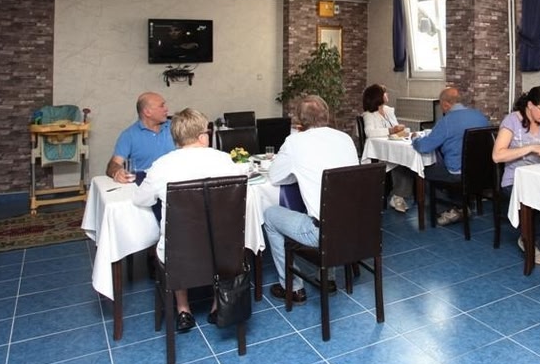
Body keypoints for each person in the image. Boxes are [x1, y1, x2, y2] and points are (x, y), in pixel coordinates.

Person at [132, 108, 239, 332]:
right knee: (214, 237)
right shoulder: (224, 160)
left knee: (178, 239)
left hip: (180, 253)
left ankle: (183, 309)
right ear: (202, 136)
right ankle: (217, 304)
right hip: (221, 249)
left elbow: (142, 199)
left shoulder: (162, 165)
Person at [263, 95, 359, 303]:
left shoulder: (295, 142)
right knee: (332, 206)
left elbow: (275, 176)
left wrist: (296, 171)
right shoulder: (345, 139)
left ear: (300, 120)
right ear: (326, 115)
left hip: (321, 233)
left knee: (270, 215)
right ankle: (328, 278)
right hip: (355, 227)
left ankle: (292, 287)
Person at [492, 85, 540, 265]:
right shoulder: (512, 121)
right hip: (516, 180)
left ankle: (539, 242)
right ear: (530, 105)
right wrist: (530, 148)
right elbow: (497, 156)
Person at [411, 87, 490, 225]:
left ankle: (447, 210)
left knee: (423, 170)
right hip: (482, 172)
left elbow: (424, 147)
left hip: (457, 173)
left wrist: (415, 139)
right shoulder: (480, 116)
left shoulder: (447, 121)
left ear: (446, 104)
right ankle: (462, 205)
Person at [362, 83, 414, 212]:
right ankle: (398, 196)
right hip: (379, 151)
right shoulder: (369, 115)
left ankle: (399, 195)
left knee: (408, 159)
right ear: (377, 96)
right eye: (384, 93)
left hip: (393, 146)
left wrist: (403, 131)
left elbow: (395, 129)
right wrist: (390, 130)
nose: (387, 94)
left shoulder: (389, 111)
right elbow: (369, 132)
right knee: (402, 161)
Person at [107, 92, 175, 183]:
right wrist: (117, 172)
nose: (166, 109)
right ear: (147, 112)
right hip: (144, 186)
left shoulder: (176, 127)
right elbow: (114, 164)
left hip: (175, 184)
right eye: (161, 106)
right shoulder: (129, 135)